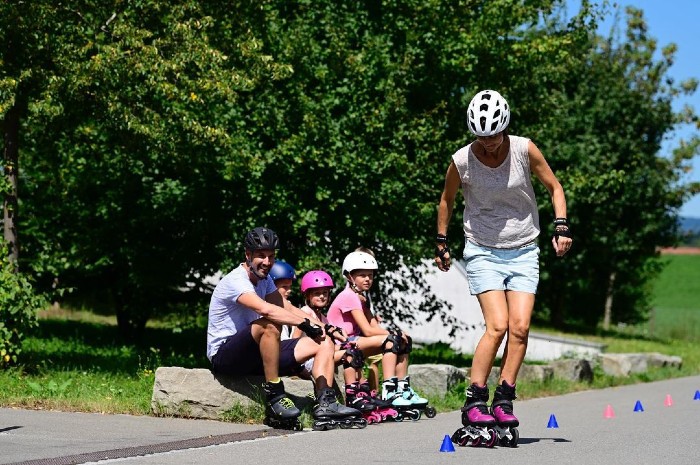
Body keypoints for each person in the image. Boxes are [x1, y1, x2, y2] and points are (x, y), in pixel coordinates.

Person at [434, 90, 573, 446]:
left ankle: (505, 396)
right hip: (481, 249)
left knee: (521, 328)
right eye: (482, 137)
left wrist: (561, 226)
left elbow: (555, 187)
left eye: (494, 136)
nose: (489, 144)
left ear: (505, 128)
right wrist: (441, 242)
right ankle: (475, 399)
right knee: (497, 326)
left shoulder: (525, 149)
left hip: (524, 248)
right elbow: (446, 201)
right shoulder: (462, 160)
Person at [206, 227, 364, 430]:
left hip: (257, 355)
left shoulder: (266, 280)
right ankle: (275, 395)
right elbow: (266, 309)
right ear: (248, 255)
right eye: (261, 256)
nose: (267, 262)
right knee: (270, 324)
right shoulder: (236, 280)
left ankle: (326, 403)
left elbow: (286, 307)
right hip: (226, 357)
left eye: (271, 256)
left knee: (323, 339)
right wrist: (303, 324)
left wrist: (326, 327)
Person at [326, 250, 433, 420]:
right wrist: (393, 333)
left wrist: (397, 334)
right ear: (349, 277)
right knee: (391, 340)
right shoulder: (349, 296)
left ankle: (402, 389)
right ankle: (390, 391)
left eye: (370, 275)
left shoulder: (361, 297)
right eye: (362, 275)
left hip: (356, 341)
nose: (368, 279)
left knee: (402, 341)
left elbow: (374, 326)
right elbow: (368, 331)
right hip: (342, 344)